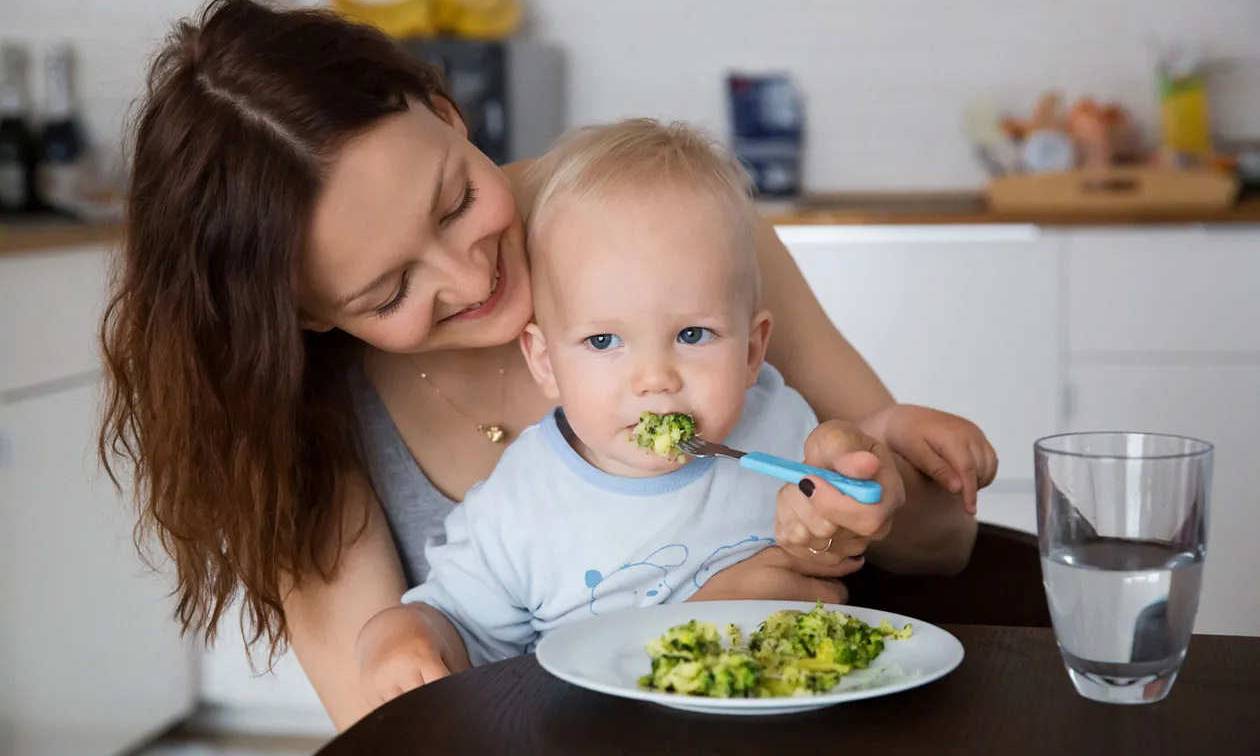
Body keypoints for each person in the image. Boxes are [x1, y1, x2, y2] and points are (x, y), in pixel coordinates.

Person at [99, 0, 994, 731]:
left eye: (454, 202)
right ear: (305, 318)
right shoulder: (301, 416)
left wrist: (858, 509)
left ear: (447, 114)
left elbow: (946, 543)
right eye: (388, 292)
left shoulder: (665, 228)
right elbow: (399, 722)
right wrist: (672, 640)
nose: (470, 275)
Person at [355, 119, 997, 694]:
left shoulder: (777, 422)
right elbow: (454, 620)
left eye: (692, 335)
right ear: (546, 361)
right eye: (604, 341)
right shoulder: (520, 506)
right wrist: (401, 633)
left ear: (752, 350)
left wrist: (890, 437)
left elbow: (851, 465)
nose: (655, 379)